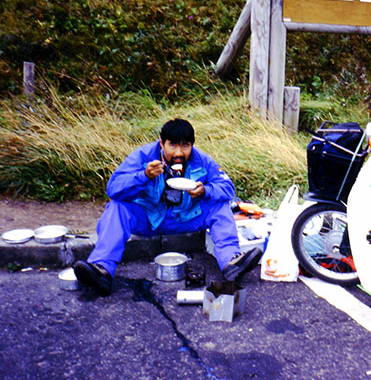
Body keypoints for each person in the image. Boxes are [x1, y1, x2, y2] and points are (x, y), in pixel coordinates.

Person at [73, 118, 261, 296]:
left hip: (187, 218)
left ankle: (231, 262)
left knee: (219, 206)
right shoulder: (143, 156)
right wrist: (144, 176)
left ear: (192, 146)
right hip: (150, 218)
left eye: (185, 146)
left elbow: (228, 188)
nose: (179, 153)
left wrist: (206, 190)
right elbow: (113, 188)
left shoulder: (202, 160)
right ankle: (102, 270)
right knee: (117, 207)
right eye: (172, 145)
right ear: (161, 144)